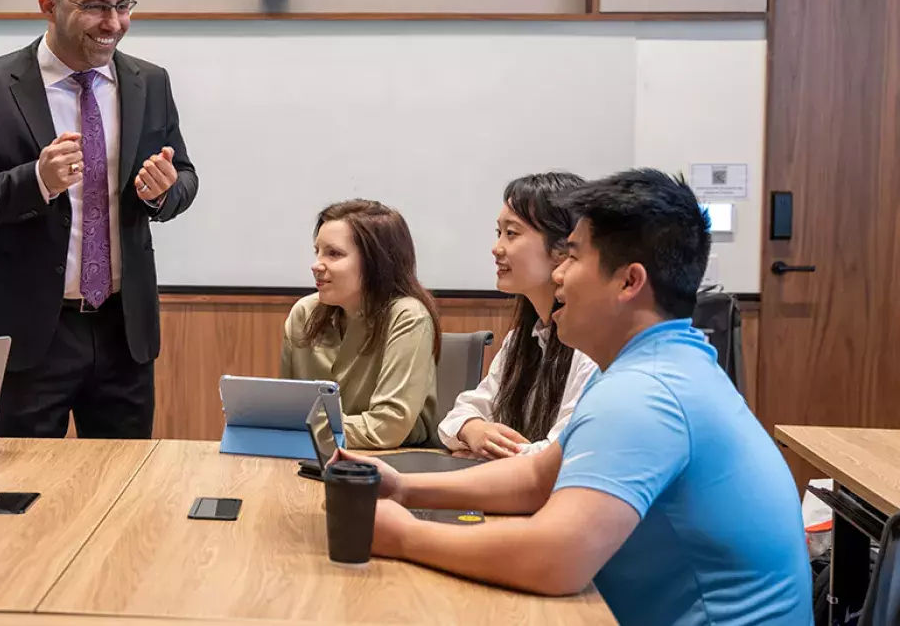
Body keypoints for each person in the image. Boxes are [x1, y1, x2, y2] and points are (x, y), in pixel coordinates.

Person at [334, 169, 811, 625]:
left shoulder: (646, 393)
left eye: (575, 256)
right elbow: (540, 478)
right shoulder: (656, 366)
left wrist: (404, 536)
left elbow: (556, 558)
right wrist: (404, 487)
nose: (560, 275)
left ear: (629, 282)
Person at [0, 0, 198, 439]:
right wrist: (35, 181)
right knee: (17, 497)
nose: (113, 23)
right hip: (29, 335)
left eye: (123, 6)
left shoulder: (149, 83)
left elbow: (183, 175)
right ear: (48, 5)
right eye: (95, 6)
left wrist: (165, 192)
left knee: (123, 493)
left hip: (125, 332)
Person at [437, 173, 599, 458]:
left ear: (564, 248)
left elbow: (558, 457)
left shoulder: (592, 345)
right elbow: (459, 415)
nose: (496, 248)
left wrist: (489, 455)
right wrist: (472, 429)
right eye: (498, 233)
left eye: (511, 233)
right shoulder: (522, 338)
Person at [281, 200, 442, 449]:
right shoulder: (304, 313)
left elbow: (388, 427)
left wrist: (305, 427)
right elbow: (286, 410)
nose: (316, 265)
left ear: (376, 262)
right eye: (318, 252)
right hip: (312, 455)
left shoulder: (408, 316)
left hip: (394, 465)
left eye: (333, 253)